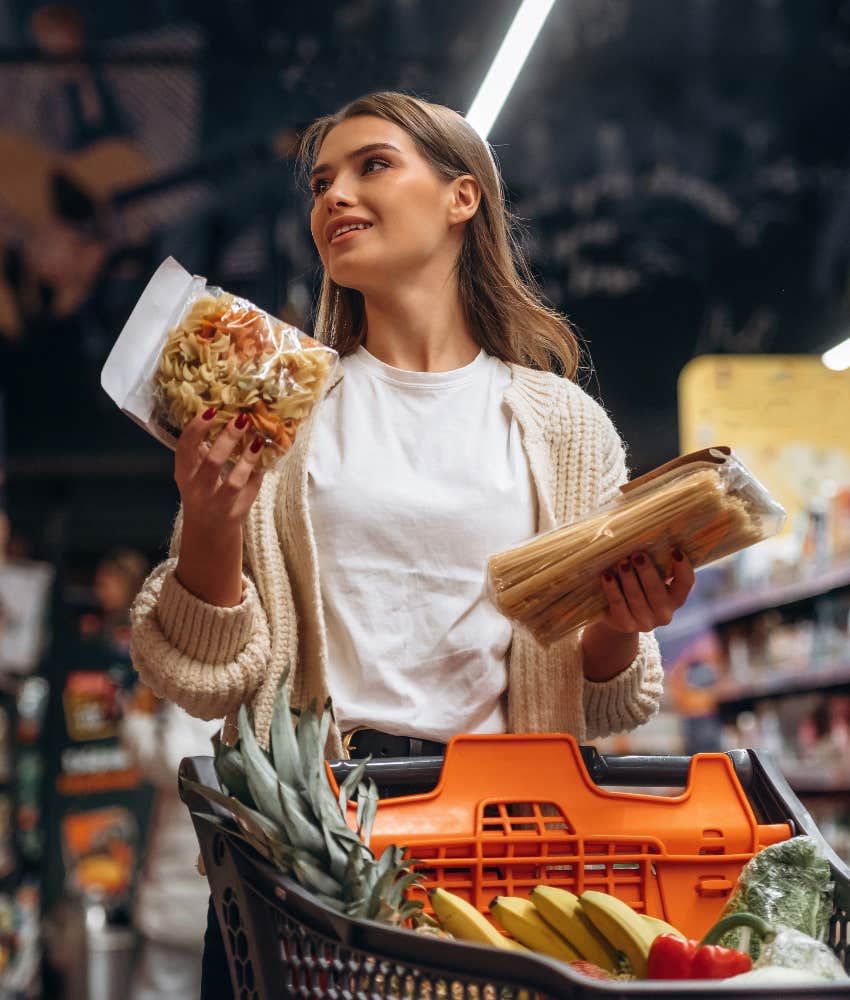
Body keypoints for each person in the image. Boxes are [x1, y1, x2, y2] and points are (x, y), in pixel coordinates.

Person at [129, 91, 696, 997]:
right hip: (312, 847)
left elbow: (604, 696)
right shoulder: (281, 401)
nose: (334, 197)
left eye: (372, 166)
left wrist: (623, 623)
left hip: (506, 843)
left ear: (461, 198)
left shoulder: (564, 426)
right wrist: (209, 522)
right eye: (321, 182)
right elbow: (202, 674)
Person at [121, 689, 220, 1000]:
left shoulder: (200, 689)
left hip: (182, 891)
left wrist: (133, 724)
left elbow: (176, 761)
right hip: (233, 895)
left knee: (165, 984)